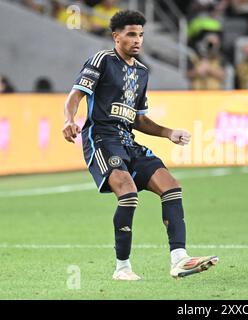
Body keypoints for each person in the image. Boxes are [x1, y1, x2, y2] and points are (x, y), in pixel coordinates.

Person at [62, 10, 218, 281]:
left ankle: (179, 259)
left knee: (171, 186)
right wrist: (69, 119)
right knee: (128, 191)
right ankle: (122, 268)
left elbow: (138, 119)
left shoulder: (142, 72)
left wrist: (168, 132)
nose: (137, 40)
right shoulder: (102, 60)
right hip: (101, 138)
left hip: (127, 140)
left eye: (141, 35)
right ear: (116, 36)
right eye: (132, 34)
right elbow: (75, 95)